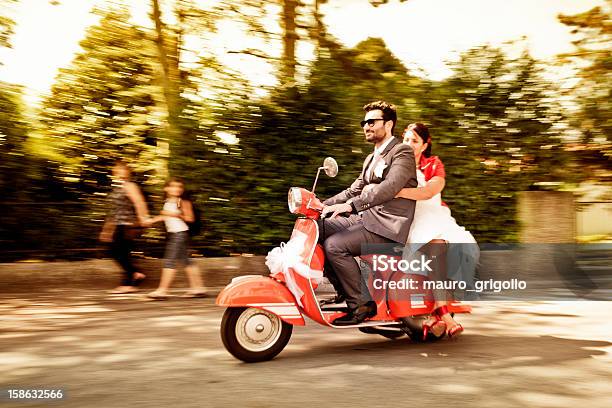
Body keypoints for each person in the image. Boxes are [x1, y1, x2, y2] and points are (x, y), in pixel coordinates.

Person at [320, 101, 418, 326]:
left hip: (387, 226)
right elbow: (353, 190)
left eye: (372, 122)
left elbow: (389, 187)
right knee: (317, 227)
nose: (366, 126)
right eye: (364, 122)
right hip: (366, 220)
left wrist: (351, 206)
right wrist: (319, 204)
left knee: (335, 245)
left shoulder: (402, 152)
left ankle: (362, 304)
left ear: (389, 124)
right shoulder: (371, 158)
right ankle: (345, 291)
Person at [397, 123, 478, 339]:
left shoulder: (433, 164)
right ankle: (435, 314)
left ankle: (441, 311)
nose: (409, 144)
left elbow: (429, 191)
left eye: (414, 141)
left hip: (432, 216)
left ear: (424, 145)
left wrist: (396, 192)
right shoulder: (395, 163)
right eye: (406, 139)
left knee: (439, 245)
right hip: (404, 219)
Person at [146, 178, 207, 299]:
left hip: (179, 233)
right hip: (176, 234)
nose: (177, 189)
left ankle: (162, 290)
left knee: (170, 261)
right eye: (173, 186)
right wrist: (151, 220)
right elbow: (165, 217)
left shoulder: (182, 201)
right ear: (166, 188)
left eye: (179, 187)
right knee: (186, 261)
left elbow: (190, 218)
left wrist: (173, 214)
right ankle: (198, 288)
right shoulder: (168, 201)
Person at [99, 160, 150, 294]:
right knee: (115, 251)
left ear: (127, 172)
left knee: (120, 252)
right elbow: (113, 211)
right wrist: (107, 230)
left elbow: (139, 202)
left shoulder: (130, 185)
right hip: (117, 225)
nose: (119, 171)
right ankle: (135, 273)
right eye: (117, 169)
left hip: (127, 225)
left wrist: (144, 218)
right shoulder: (117, 187)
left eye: (123, 169)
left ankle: (128, 283)